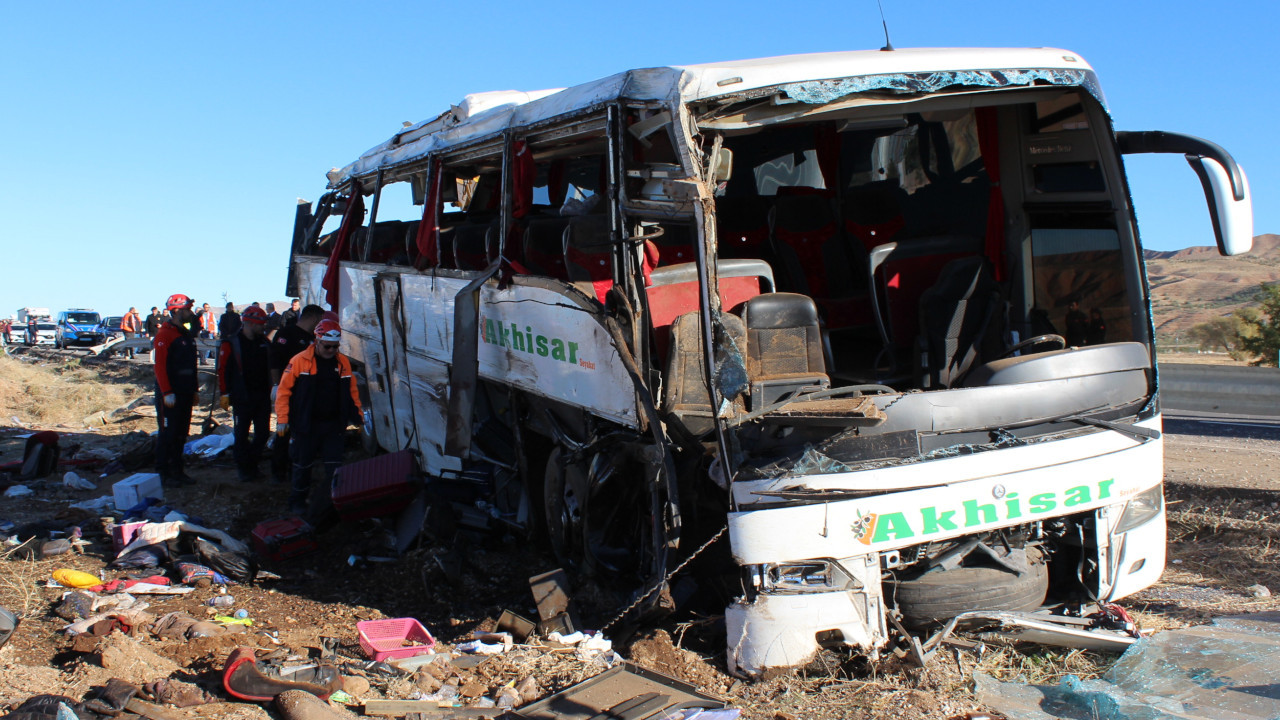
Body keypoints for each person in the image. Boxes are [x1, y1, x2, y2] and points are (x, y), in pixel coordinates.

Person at [275, 318, 362, 518]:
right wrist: (282, 419)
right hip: (306, 425)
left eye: (335, 347)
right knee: (302, 466)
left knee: (334, 468)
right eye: (327, 346)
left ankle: (331, 505)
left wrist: (357, 415)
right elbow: (284, 392)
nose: (331, 350)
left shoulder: (342, 363)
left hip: (333, 425)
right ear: (317, 340)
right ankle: (297, 502)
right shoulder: (299, 361)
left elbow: (352, 391)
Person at [269, 304, 324, 483]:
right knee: (284, 431)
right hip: (289, 392)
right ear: (314, 317)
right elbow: (275, 362)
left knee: (303, 433)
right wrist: (277, 386)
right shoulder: (286, 334)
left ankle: (297, 469)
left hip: (307, 394)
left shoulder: (312, 339)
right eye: (320, 319)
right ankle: (278, 471)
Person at [218, 305, 273, 483]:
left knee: (263, 433)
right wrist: (224, 393)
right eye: (260, 324)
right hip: (242, 396)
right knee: (241, 434)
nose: (263, 327)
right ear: (249, 323)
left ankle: (252, 463)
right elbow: (223, 369)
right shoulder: (232, 343)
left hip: (262, 395)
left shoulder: (264, 342)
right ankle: (244, 468)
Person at [154, 294, 200, 488]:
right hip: (170, 394)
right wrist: (166, 392)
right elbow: (160, 366)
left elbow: (191, 365)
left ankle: (177, 471)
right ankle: (163, 473)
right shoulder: (165, 334)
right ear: (177, 311)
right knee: (168, 434)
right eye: (188, 309)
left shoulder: (184, 334)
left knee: (181, 433)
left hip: (185, 392)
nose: (191, 313)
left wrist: (194, 390)